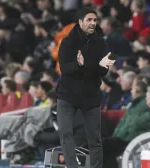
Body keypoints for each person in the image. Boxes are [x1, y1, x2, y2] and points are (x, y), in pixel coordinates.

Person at [56, 7, 115, 168]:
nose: (93, 23)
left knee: (95, 139)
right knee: (66, 133)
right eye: (89, 20)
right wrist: (79, 65)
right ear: (80, 21)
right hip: (68, 95)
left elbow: (102, 71)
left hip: (91, 96)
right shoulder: (68, 42)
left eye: (95, 20)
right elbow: (65, 69)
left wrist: (100, 67)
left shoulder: (100, 42)